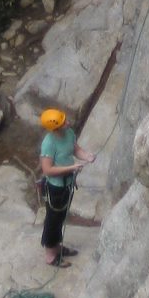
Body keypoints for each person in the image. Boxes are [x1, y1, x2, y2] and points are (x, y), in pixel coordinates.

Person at [38, 107, 94, 266]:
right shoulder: (49, 143)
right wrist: (71, 168)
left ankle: (56, 246)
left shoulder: (68, 133)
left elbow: (75, 149)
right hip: (55, 187)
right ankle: (50, 254)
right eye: (63, 122)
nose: (68, 122)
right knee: (53, 219)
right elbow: (47, 170)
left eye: (65, 119)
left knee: (61, 216)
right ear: (55, 128)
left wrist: (87, 156)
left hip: (67, 184)